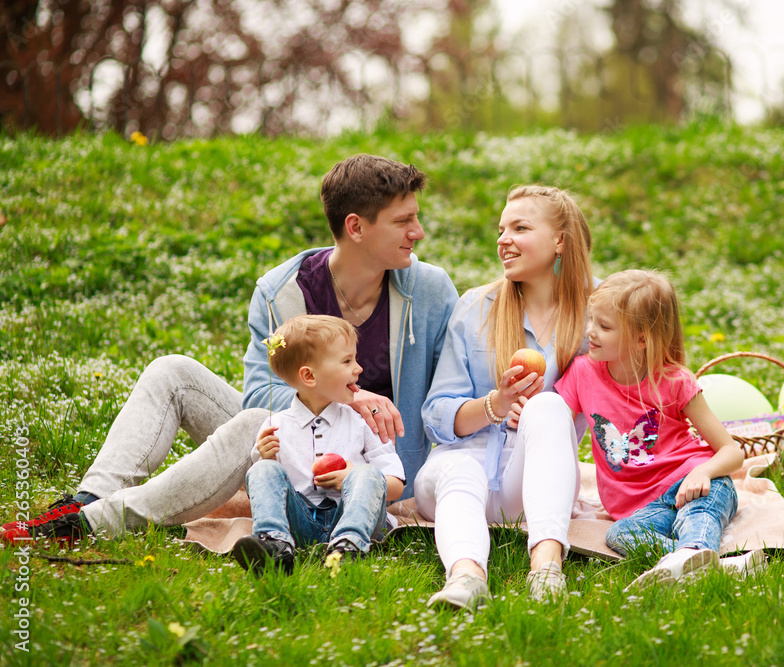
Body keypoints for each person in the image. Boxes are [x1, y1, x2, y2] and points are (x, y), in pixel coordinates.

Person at [2, 154, 457, 546]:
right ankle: (89, 501)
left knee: (259, 422)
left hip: (375, 467)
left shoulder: (431, 290)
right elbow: (263, 401)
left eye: (415, 218)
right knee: (174, 372)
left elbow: (450, 394)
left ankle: (96, 524)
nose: (418, 232)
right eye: (404, 221)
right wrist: (352, 395)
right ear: (356, 227)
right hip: (289, 451)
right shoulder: (281, 293)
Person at [415, 185, 593, 609]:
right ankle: (466, 577)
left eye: (520, 227)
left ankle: (546, 569)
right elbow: (436, 414)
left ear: (560, 240)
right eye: (501, 229)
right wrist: (496, 404)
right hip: (458, 477)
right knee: (458, 466)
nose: (503, 239)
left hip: (532, 488)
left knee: (550, 406)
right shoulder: (476, 306)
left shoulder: (599, 309)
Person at [554, 269, 747, 590]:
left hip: (696, 484)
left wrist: (702, 473)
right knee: (619, 535)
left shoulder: (675, 381)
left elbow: (732, 451)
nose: (590, 332)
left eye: (604, 326)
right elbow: (553, 422)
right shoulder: (582, 373)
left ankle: (691, 552)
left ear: (642, 338)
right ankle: (706, 562)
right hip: (643, 508)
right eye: (590, 320)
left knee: (698, 516)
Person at [233, 315, 405, 575]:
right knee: (259, 471)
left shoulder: (361, 422)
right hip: (300, 524)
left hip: (354, 516)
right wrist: (265, 458)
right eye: (347, 361)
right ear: (309, 376)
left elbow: (395, 486)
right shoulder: (276, 426)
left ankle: (348, 547)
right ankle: (275, 544)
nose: (358, 368)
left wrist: (352, 476)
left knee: (367, 472)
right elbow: (268, 490)